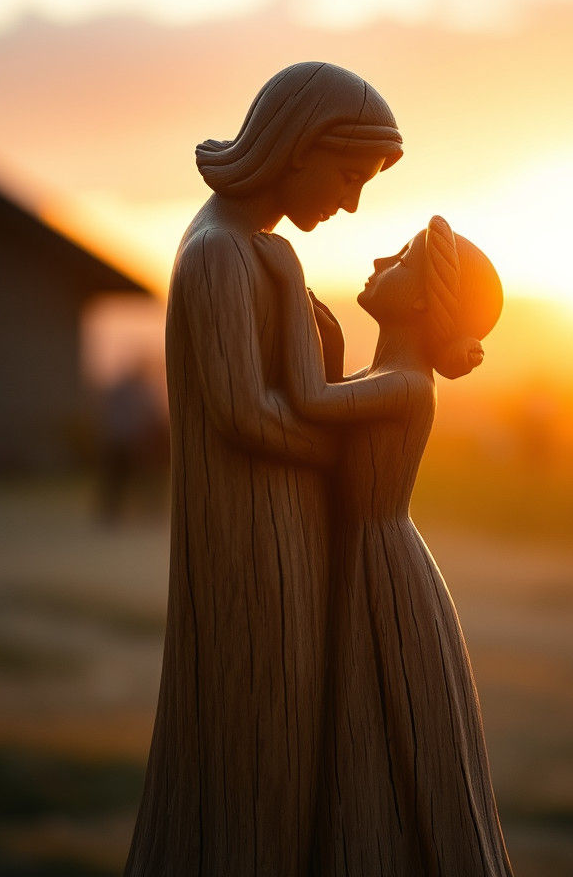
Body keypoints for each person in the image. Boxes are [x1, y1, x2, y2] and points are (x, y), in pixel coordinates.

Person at [124, 63, 403, 876]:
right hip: (251, 549)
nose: (351, 201)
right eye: (350, 174)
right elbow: (244, 413)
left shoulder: (260, 253)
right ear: (298, 145)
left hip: (288, 540)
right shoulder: (217, 256)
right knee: (255, 759)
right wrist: (353, 455)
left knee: (290, 759)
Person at [254, 216, 514, 876]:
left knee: (377, 720)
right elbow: (328, 397)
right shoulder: (387, 376)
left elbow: (311, 399)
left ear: (426, 300)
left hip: (383, 566)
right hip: (368, 557)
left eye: (400, 258)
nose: (377, 258)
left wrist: (287, 283)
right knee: (359, 724)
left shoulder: (403, 388)